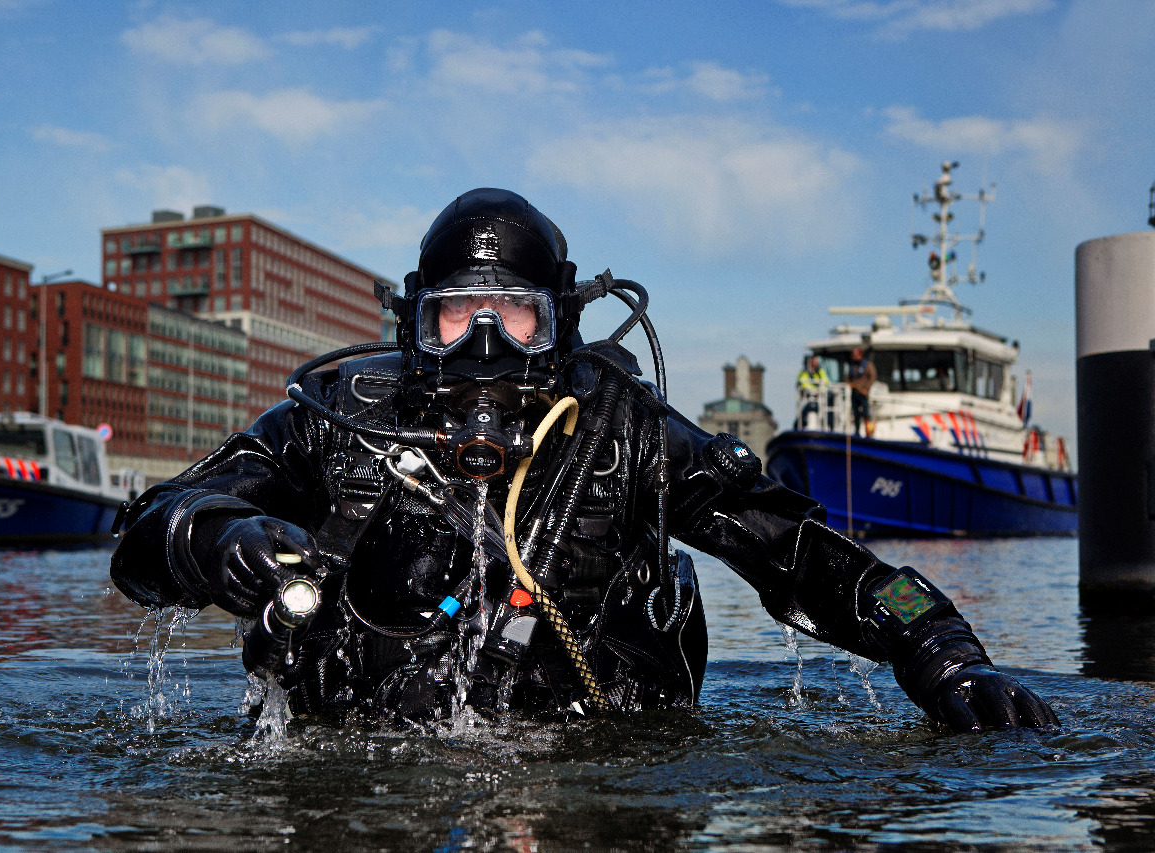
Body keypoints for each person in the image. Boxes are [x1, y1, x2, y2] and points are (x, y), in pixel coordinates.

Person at [110, 188, 1056, 731]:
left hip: (597, 763)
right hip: (356, 760)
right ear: (416, 321)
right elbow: (146, 531)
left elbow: (799, 550)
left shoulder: (628, 433)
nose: (486, 341)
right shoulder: (337, 418)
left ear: (560, 322)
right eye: (456, 313)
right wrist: (215, 537)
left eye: (515, 312)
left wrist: (939, 650)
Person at [848, 346, 877, 437]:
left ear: (860, 355)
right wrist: (849, 383)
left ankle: (868, 432)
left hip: (863, 393)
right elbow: (848, 377)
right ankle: (856, 432)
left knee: (866, 413)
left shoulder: (868, 365)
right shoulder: (852, 365)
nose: (853, 356)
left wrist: (866, 389)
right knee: (855, 413)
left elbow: (873, 377)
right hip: (854, 393)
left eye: (855, 355)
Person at [795, 354, 830, 430]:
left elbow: (826, 382)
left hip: (821, 398)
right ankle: (799, 426)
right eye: (814, 360)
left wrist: (820, 390)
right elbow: (803, 383)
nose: (816, 362)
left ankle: (829, 424)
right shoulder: (803, 373)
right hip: (808, 398)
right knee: (809, 408)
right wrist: (813, 391)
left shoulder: (820, 372)